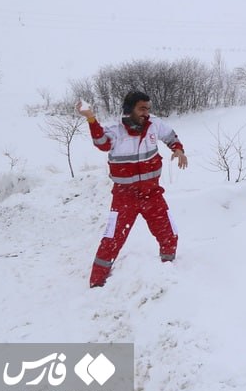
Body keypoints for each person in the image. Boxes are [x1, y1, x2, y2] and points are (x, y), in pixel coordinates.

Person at [76, 91, 188, 288]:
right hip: (124, 197)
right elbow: (101, 143)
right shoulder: (116, 131)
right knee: (112, 240)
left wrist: (178, 149)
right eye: (142, 108)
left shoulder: (154, 124)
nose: (146, 113)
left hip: (152, 194)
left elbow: (170, 136)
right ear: (130, 109)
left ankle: (168, 275)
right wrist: (91, 118)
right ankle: (96, 284)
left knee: (169, 234)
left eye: (148, 108)